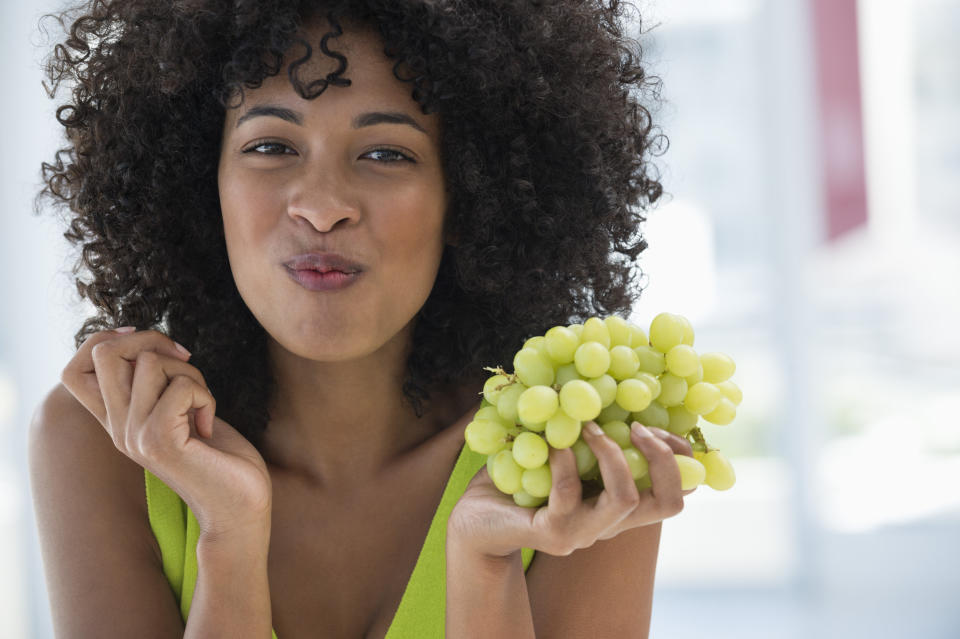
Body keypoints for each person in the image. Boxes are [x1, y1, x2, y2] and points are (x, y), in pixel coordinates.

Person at [28, 0, 694, 637]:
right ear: (204, 182)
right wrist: (228, 538)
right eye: (270, 146)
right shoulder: (105, 443)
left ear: (467, 197)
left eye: (386, 153)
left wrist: (484, 568)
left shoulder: (579, 451)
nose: (321, 206)